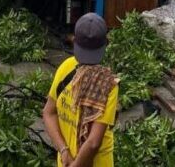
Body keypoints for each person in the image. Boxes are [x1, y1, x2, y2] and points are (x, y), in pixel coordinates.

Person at [43, 13, 119, 167]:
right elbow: (93, 143)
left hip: (65, 162)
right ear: (106, 43)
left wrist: (64, 152)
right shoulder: (108, 84)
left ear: (74, 41)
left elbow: (48, 112)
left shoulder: (66, 67)